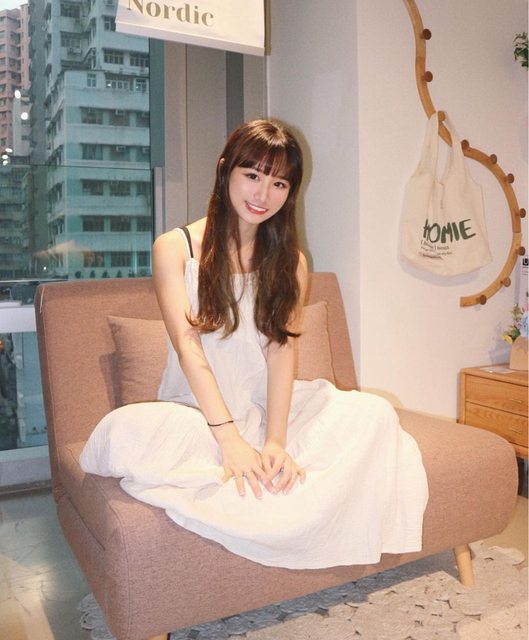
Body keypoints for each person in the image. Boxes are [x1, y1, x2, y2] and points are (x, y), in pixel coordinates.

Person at [81, 119, 428, 570]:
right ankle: (275, 495)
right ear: (225, 169)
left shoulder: (292, 262)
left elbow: (281, 350)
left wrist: (275, 441)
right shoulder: (175, 248)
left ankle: (276, 485)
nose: (263, 194)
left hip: (265, 409)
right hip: (197, 413)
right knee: (128, 432)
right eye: (253, 175)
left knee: (374, 414)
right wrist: (230, 439)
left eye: (279, 183)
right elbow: (187, 345)